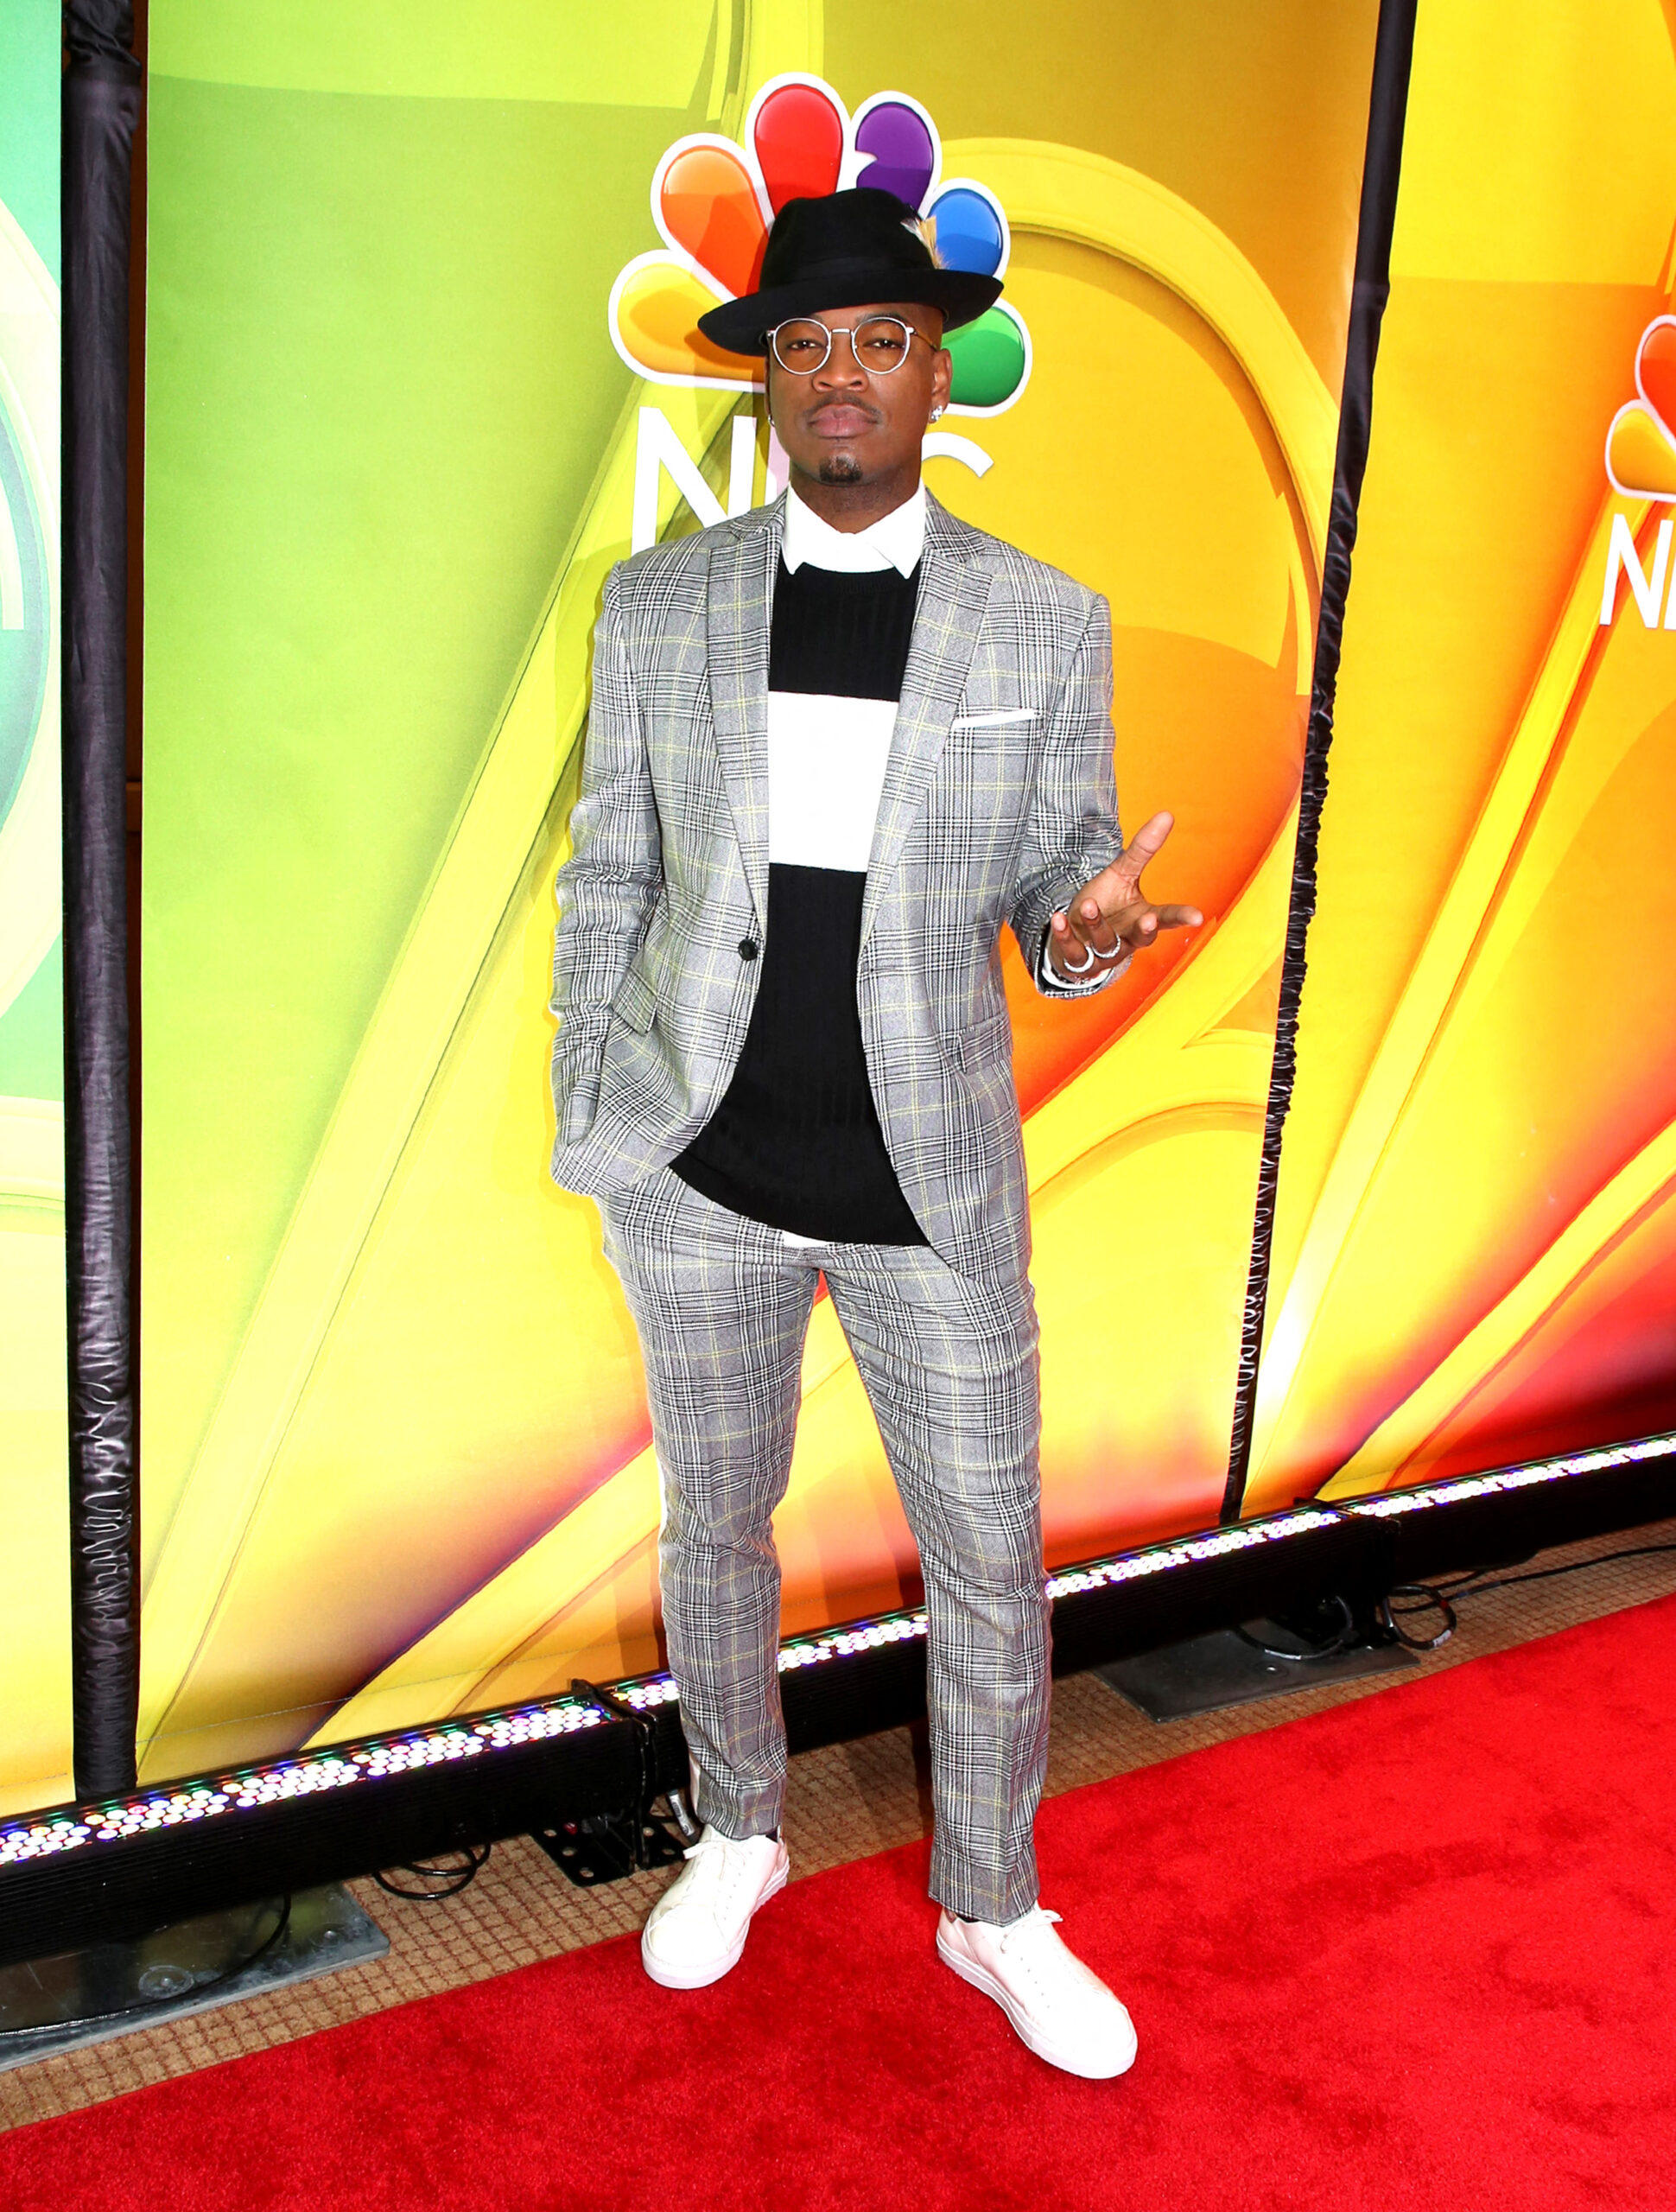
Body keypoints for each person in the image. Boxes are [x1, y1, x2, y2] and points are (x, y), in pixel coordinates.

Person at [549, 188, 1199, 2080]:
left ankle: (992, 1904)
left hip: (927, 1192)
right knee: (717, 1530)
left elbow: (1062, 877)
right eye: (807, 344)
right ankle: (737, 1826)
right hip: (700, 1179)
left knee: (991, 1554)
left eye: (880, 341)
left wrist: (1076, 932)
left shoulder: (1040, 615)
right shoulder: (656, 600)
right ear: (770, 377)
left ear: (936, 370)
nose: (841, 375)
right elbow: (611, 871)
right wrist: (599, 1106)